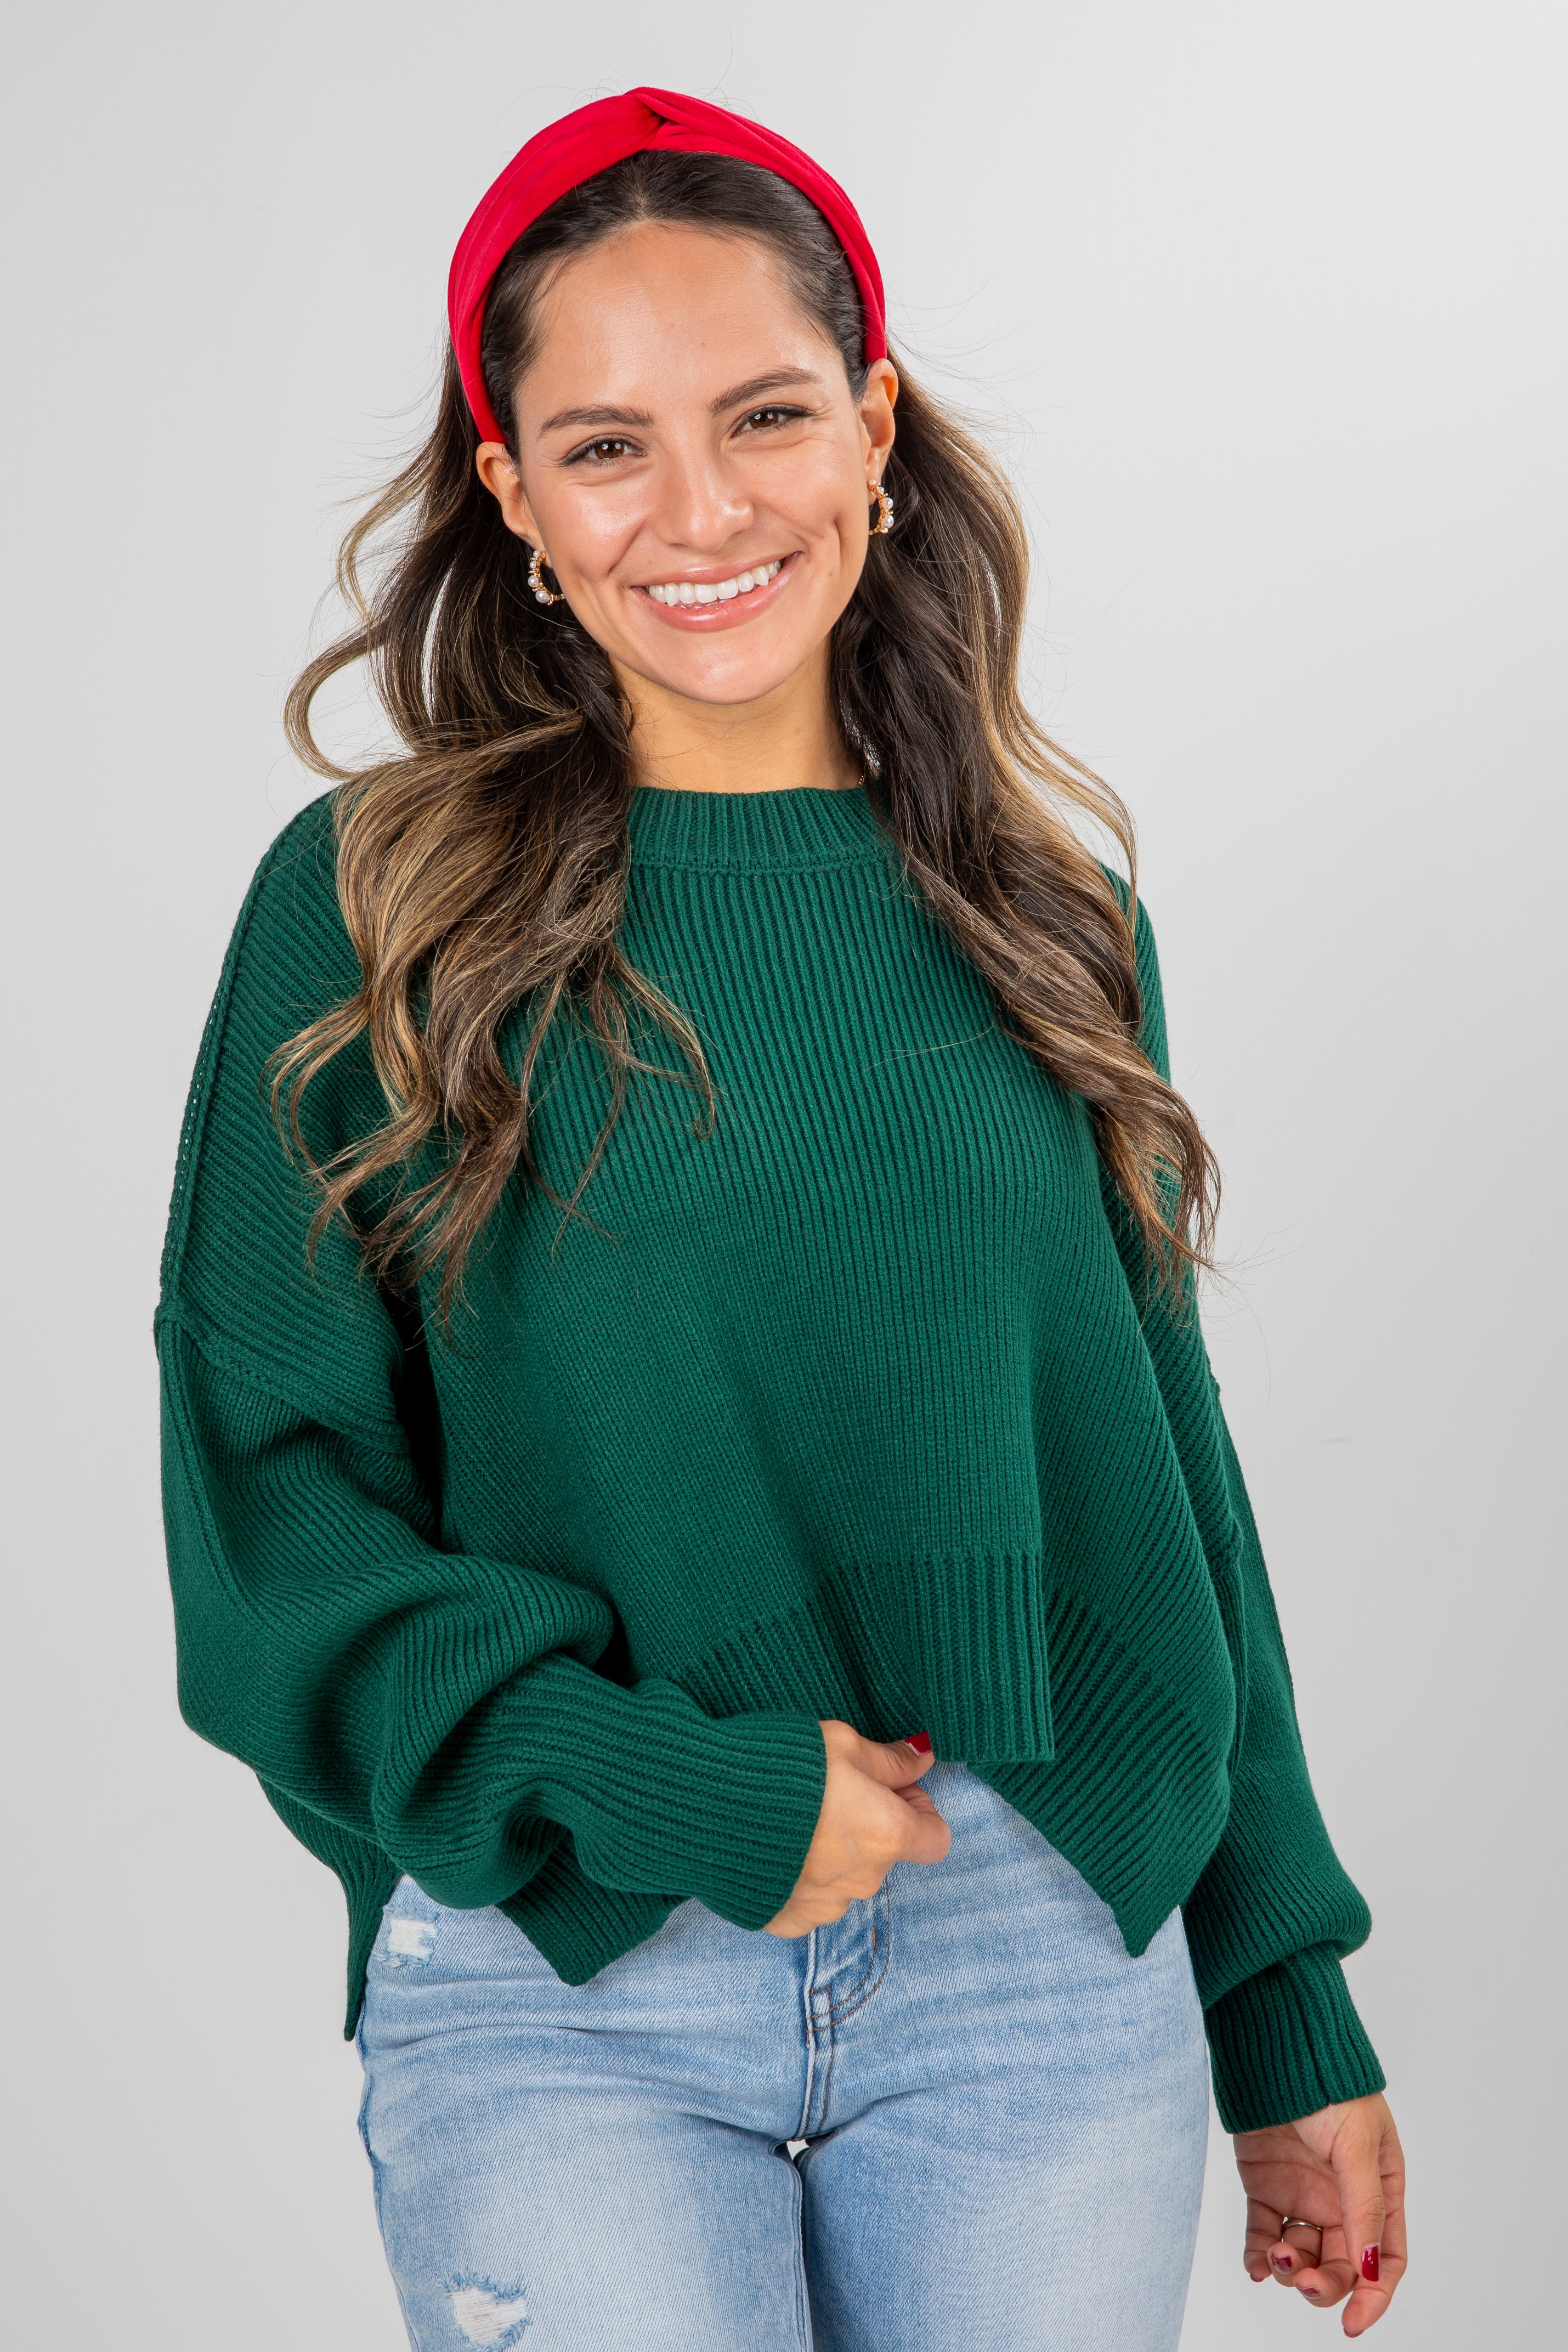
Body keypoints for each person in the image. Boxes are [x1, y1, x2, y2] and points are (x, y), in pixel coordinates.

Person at [156, 86, 1406, 2352]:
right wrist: (658, 1778)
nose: (703, 507)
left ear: (877, 435)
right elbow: (271, 1500)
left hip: (1042, 1957)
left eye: (764, 416)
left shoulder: (1048, 914)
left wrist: (1283, 2005)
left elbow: (1161, 1485)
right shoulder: (370, 910)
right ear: (513, 495)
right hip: (569, 1961)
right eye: (608, 445)